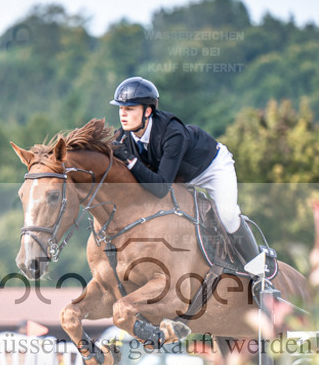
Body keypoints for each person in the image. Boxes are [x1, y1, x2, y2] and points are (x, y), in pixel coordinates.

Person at [109, 76, 265, 266]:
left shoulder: (172, 133)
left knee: (227, 215)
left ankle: (259, 271)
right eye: (121, 108)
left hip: (212, 168)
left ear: (148, 111)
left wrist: (130, 160)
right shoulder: (124, 136)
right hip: (180, 177)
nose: (123, 115)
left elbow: (160, 188)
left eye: (129, 109)